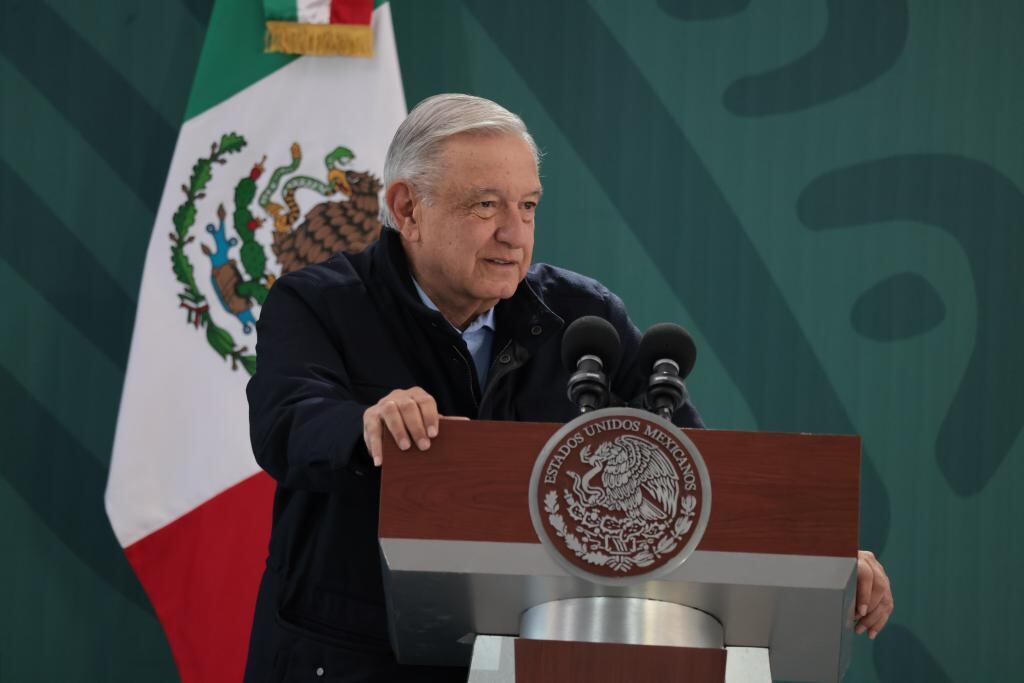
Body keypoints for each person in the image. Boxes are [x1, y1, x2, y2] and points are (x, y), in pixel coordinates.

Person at [243, 94, 892, 682]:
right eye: (486, 205)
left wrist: (818, 558)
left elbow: (693, 473)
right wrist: (367, 426)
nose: (515, 233)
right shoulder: (318, 303)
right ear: (408, 208)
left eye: (527, 206)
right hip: (349, 656)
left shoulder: (586, 319)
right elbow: (288, 420)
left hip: (535, 658)